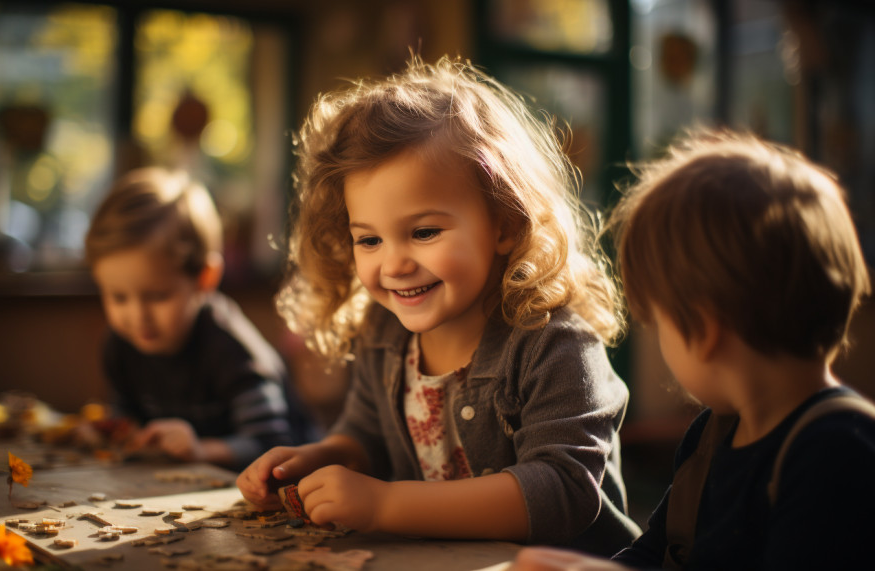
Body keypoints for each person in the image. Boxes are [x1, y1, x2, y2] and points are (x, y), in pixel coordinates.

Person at [236, 55, 640, 554]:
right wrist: (319, 462)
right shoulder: (383, 334)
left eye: (424, 232)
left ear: (506, 223)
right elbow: (367, 436)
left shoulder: (555, 346)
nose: (394, 265)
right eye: (369, 240)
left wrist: (384, 506)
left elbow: (563, 492)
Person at [511, 129, 875, 570]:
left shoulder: (836, 452)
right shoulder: (710, 436)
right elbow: (656, 553)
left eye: (658, 323)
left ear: (703, 329)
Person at [84, 167, 313, 470]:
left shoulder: (233, 350)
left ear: (204, 279)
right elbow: (127, 417)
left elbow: (272, 445)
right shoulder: (120, 346)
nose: (138, 316)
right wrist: (109, 430)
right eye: (118, 297)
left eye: (157, 296)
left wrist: (200, 450)